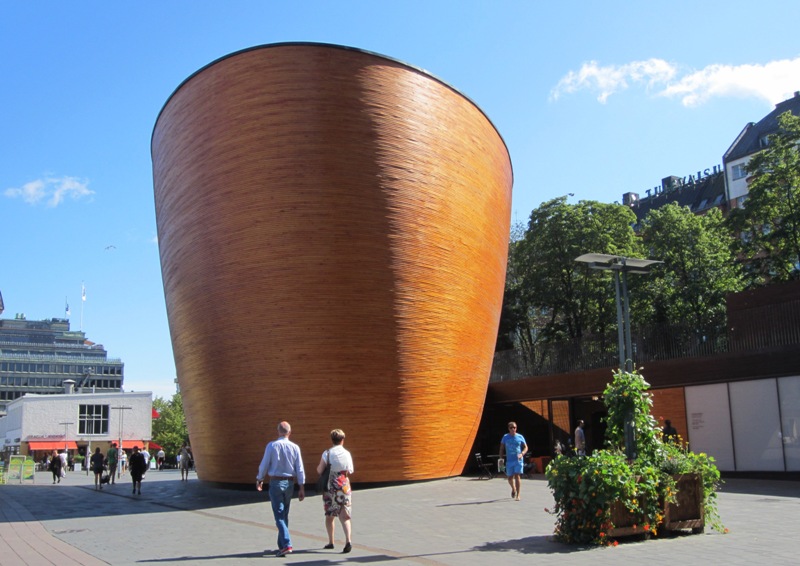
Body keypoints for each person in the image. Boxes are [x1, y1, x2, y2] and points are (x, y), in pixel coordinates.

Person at [256, 421, 306, 557]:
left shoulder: (271, 446)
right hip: (290, 483)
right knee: (284, 514)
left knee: (279, 515)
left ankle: (286, 544)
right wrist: (301, 486)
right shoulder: (295, 447)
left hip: (276, 482)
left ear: (278, 431)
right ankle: (282, 545)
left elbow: (264, 464)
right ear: (289, 432)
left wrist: (260, 479)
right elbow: (299, 468)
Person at [316, 429, 354, 554]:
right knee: (345, 515)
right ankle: (348, 540)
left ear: (332, 440)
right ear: (342, 440)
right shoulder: (347, 453)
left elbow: (320, 470)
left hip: (331, 486)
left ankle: (331, 541)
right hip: (344, 486)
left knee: (329, 515)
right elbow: (350, 470)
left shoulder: (327, 453)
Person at [499, 421, 528, 501]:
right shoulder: (505, 437)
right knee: (509, 478)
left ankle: (518, 495)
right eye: (511, 428)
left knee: (517, 476)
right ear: (508, 429)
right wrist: (501, 459)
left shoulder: (520, 437)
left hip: (518, 460)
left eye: (514, 427)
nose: (513, 429)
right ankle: (513, 488)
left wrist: (522, 454)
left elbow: (526, 447)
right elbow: (501, 448)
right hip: (509, 460)